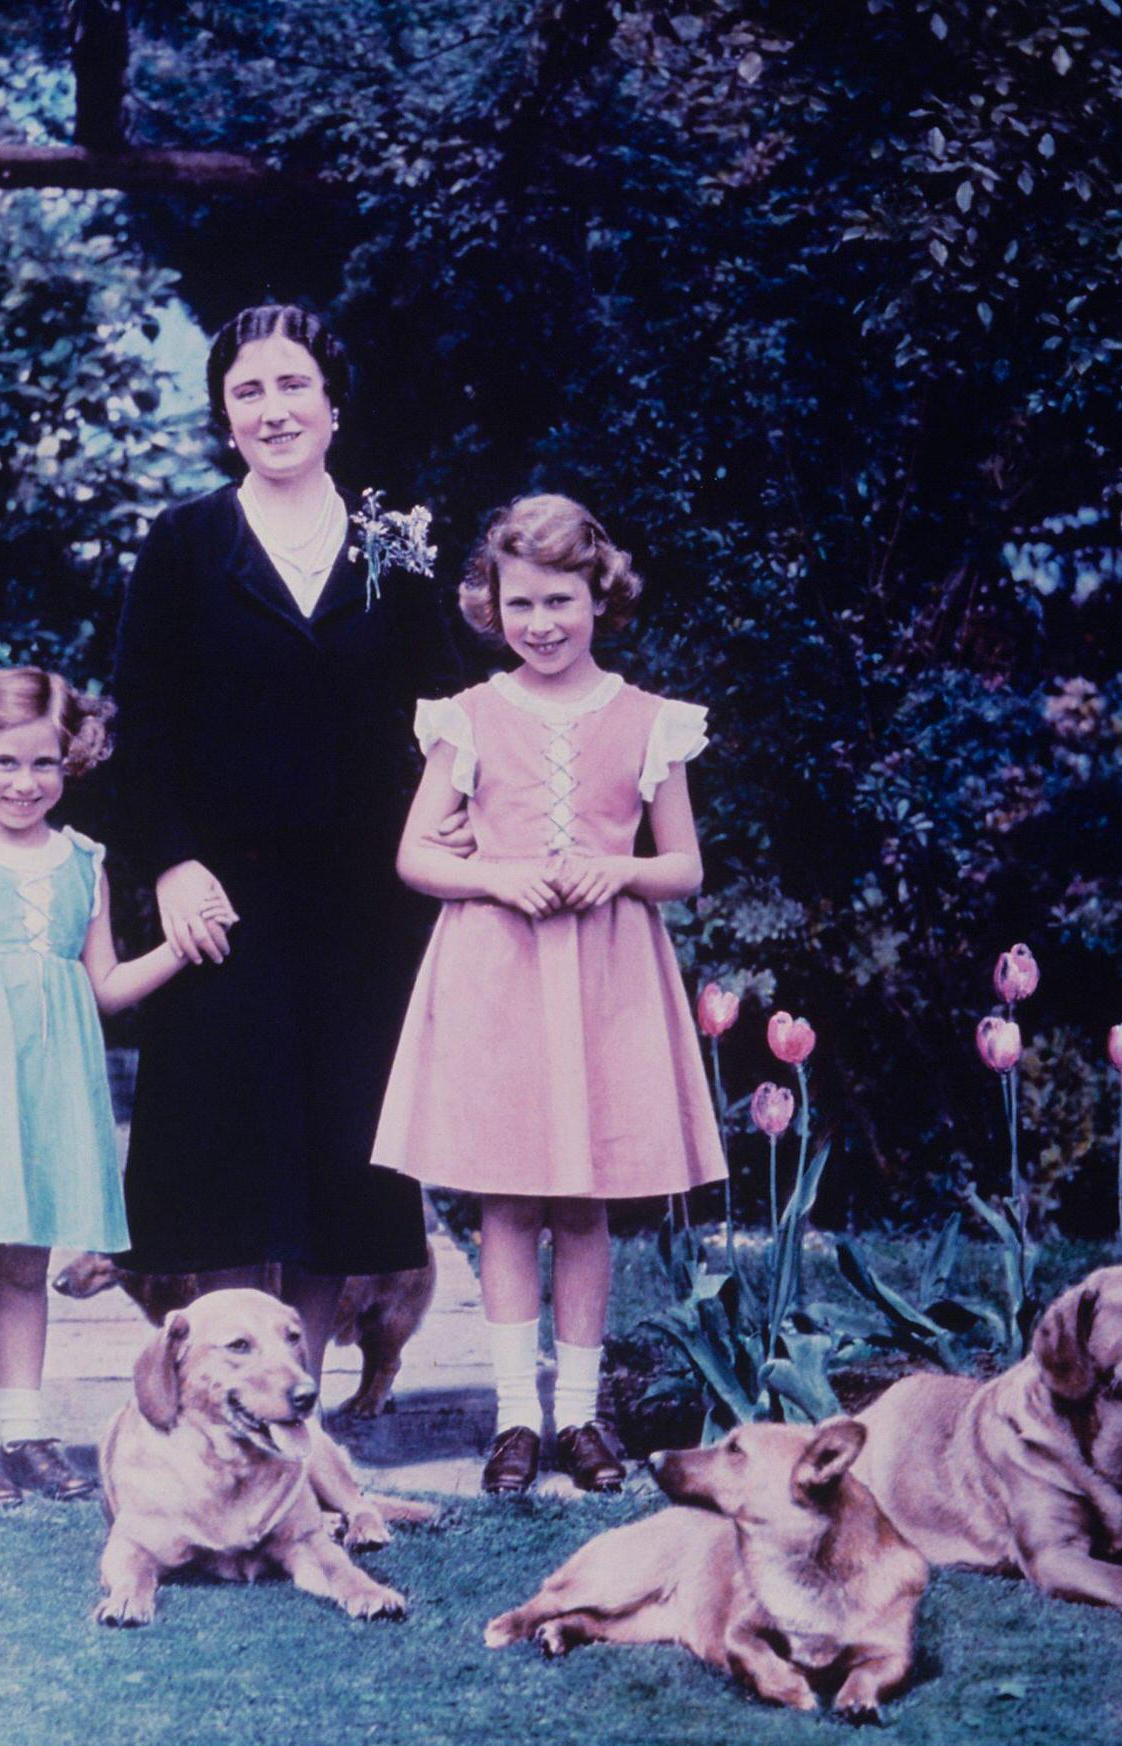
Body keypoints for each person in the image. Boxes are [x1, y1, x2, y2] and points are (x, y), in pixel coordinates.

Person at [111, 303, 462, 1386]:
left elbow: (446, 720)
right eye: (248, 391)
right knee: (225, 1146)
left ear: (332, 404)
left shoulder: (390, 551)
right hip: (222, 898)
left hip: (364, 905)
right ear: (224, 418)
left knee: (341, 1157)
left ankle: (297, 1401)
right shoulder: (184, 546)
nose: (273, 408)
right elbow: (142, 725)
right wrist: (169, 863)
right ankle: (227, 1388)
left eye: (292, 384)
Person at [374, 493, 727, 1495]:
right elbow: (412, 855)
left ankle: (578, 1416)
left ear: (597, 598)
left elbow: (683, 868)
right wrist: (491, 873)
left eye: (560, 601)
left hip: (605, 974)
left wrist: (617, 872)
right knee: (506, 1198)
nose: (540, 623)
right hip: (498, 970)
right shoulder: (470, 717)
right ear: (492, 604)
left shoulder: (648, 721)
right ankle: (513, 1419)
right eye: (520, 602)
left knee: (584, 1205)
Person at [0, 667, 226, 1506]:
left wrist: (180, 947)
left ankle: (23, 1432)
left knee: (26, 1266)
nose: (25, 784)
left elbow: (100, 987)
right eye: (6, 763)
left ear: (71, 763)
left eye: (44, 766)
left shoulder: (82, 863)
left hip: (46, 1093)